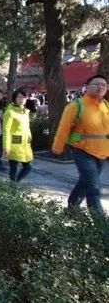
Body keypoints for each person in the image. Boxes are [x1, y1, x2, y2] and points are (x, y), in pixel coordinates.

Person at [52, 75, 109, 216]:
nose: (101, 87)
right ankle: (101, 227)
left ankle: (70, 210)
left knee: (84, 184)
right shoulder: (76, 105)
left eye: (104, 85)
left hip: (102, 153)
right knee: (94, 188)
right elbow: (63, 128)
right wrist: (57, 147)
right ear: (87, 86)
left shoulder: (106, 105)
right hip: (82, 151)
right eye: (97, 84)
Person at [2, 89, 33, 182]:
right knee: (13, 170)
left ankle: (15, 185)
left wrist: (29, 138)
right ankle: (12, 188)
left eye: (24, 97)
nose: (22, 99)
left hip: (25, 145)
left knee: (28, 167)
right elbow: (6, 130)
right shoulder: (9, 112)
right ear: (14, 99)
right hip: (14, 145)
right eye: (19, 97)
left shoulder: (25, 112)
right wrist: (6, 147)